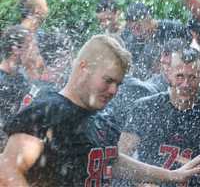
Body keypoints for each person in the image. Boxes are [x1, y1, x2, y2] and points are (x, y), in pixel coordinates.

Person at [1, 35, 200, 187]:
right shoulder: (48, 110)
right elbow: (7, 170)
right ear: (83, 68)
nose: (114, 90)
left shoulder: (103, 117)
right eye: (108, 80)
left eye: (118, 83)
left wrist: (172, 176)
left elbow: (112, 160)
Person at [119, 38, 200, 186]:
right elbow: (120, 158)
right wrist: (140, 183)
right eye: (180, 76)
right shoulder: (145, 108)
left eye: (192, 77)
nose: (186, 84)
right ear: (169, 73)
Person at [121, 2, 187, 80]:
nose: (136, 33)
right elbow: (134, 70)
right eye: (131, 29)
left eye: (138, 27)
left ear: (148, 18)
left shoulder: (172, 29)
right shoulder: (133, 41)